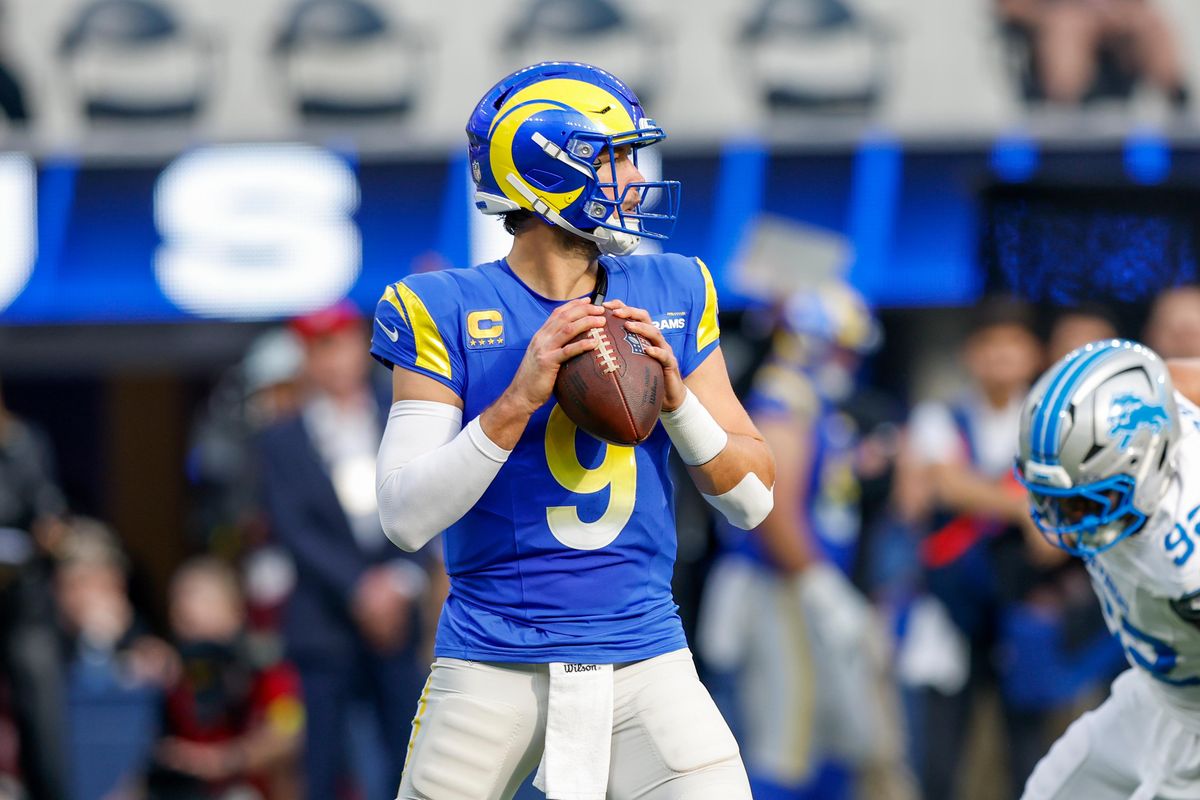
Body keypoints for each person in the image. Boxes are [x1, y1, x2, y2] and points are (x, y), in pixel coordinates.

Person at [373, 62, 775, 799]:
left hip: (646, 654)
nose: (631, 176)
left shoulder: (676, 289)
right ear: (544, 167)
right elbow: (403, 517)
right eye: (613, 157)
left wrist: (678, 403)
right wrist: (512, 403)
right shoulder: (442, 306)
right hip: (494, 664)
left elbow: (752, 501)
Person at [697, 282, 914, 800]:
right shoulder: (784, 398)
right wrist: (820, 584)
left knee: (833, 735)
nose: (850, 359)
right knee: (787, 740)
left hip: (804, 583)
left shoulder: (816, 400)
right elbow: (774, 510)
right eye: (843, 345)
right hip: (784, 586)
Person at [257, 302, 430, 799]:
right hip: (325, 619)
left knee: (405, 748)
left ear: (361, 347)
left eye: (338, 344)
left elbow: (429, 495)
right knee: (324, 759)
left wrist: (398, 581)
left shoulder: (404, 414)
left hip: (395, 619)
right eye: (317, 349)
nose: (330, 361)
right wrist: (358, 589)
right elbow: (293, 528)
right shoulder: (282, 437)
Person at [1016, 339, 1200, 798]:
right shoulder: (1159, 403)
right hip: (1154, 696)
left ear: (1148, 462)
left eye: (1084, 502)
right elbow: (1163, 375)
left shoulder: (1182, 564)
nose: (1067, 521)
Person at [894, 297, 1062, 799]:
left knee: (1028, 752)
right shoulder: (937, 416)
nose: (1001, 356)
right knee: (941, 754)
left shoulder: (1050, 421)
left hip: (1022, 607)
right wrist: (1025, 505)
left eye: (1013, 343)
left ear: (1035, 354)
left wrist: (969, 489)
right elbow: (937, 490)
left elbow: (1059, 530)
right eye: (989, 344)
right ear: (970, 353)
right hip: (950, 605)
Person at [146, 557, 302, 800]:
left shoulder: (266, 666)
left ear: (235, 610)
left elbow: (290, 732)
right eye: (178, 600)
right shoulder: (171, 672)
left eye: (201, 599)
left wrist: (223, 760)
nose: (185, 609)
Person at [997, 0, 1188, 107]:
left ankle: (1178, 105)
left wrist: (1115, 16)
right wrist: (1051, 16)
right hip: (1055, 26)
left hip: (1112, 28)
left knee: (1150, 24)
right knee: (1068, 28)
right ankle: (1063, 118)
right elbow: (1012, 8)